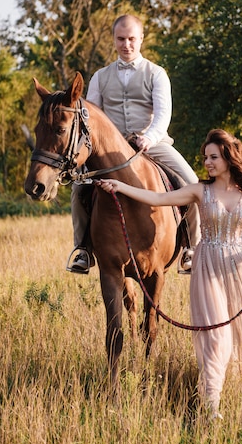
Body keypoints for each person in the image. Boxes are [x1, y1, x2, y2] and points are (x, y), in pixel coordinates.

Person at [96, 128, 242, 420]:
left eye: (213, 157)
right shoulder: (199, 190)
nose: (207, 162)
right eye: (205, 157)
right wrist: (121, 188)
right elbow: (156, 198)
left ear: (229, 158)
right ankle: (211, 404)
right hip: (209, 268)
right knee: (216, 336)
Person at [69, 14, 200, 273]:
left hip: (152, 142)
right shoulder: (100, 76)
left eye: (131, 39)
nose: (126, 44)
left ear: (141, 39)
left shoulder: (157, 74)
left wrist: (149, 138)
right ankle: (82, 249)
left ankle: (189, 248)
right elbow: (92, 115)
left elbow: (163, 114)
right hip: (112, 149)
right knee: (79, 188)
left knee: (192, 183)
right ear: (114, 40)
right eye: (121, 39)